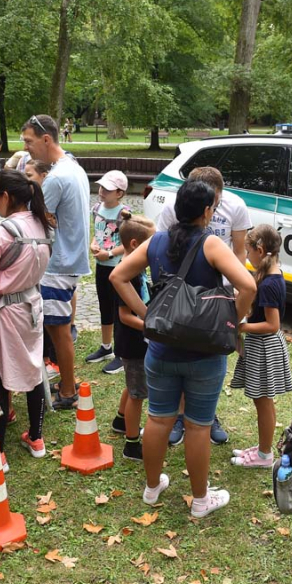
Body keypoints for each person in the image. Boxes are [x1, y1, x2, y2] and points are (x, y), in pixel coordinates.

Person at [111, 178, 256, 518]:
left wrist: (147, 315)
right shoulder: (211, 244)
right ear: (206, 212)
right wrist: (231, 318)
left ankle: (152, 488)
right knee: (198, 426)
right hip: (204, 353)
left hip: (161, 348)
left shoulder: (157, 241)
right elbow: (248, 285)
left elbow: (117, 276)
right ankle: (201, 500)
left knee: (158, 419)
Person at [156, 166, 250, 445]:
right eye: (211, 202)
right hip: (183, 289)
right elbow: (160, 246)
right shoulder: (174, 208)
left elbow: (240, 249)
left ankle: (206, 413)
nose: (214, 207)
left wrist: (235, 294)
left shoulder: (236, 206)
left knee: (211, 353)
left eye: (217, 200)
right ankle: (179, 415)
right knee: (181, 347)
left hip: (220, 292)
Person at [0, 169, 52, 471]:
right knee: (33, 368)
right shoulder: (42, 223)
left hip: (3, 311)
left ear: (6, 196)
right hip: (32, 305)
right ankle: (37, 438)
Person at [22, 114, 90, 410]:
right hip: (68, 259)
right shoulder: (73, 167)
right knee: (59, 327)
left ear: (46, 139)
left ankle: (68, 390)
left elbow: (34, 218)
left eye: (29, 141)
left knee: (58, 331)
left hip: (57, 264)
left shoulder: (57, 178)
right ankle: (67, 383)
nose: (26, 148)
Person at [229, 225, 292, 468]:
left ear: (260, 249)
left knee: (263, 401)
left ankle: (265, 455)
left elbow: (272, 325)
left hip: (265, 347)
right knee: (262, 400)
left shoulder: (269, 284)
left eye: (248, 251)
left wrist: (241, 327)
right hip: (261, 345)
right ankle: (263, 448)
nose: (246, 256)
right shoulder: (271, 275)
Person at [110, 211, 155, 462]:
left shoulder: (138, 269)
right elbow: (125, 316)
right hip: (133, 343)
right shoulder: (127, 274)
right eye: (152, 245)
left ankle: (120, 420)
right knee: (138, 394)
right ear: (136, 245)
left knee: (132, 384)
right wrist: (151, 328)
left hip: (137, 342)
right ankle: (132, 443)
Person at [86, 170, 130, 375]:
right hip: (101, 266)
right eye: (101, 187)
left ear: (119, 193)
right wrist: (94, 244)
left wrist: (110, 253)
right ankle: (106, 347)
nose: (102, 191)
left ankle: (121, 353)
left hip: (117, 267)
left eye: (108, 189)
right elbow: (98, 233)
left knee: (119, 310)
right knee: (104, 306)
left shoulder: (125, 214)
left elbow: (129, 243)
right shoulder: (97, 208)